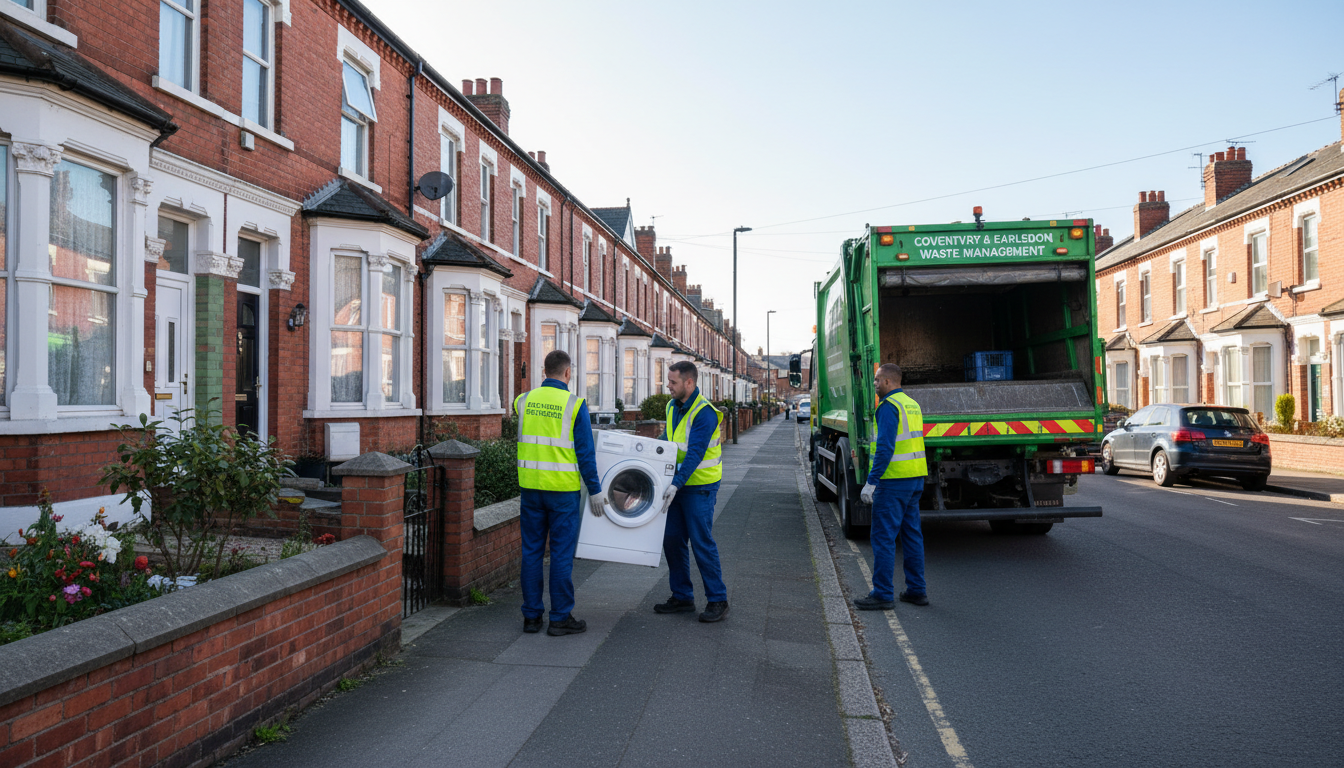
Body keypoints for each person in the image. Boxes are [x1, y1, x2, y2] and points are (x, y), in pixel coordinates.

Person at [514, 350, 609, 636]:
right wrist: (595, 491)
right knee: (560, 555)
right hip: (562, 493)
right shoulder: (575, 405)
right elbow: (585, 454)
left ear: (545, 371)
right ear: (567, 373)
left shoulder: (524, 401)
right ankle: (559, 618)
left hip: (530, 489)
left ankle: (531, 618)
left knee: (530, 552)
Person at [653, 361, 730, 623]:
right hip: (677, 485)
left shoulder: (705, 413)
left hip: (700, 487)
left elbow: (695, 453)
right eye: (668, 381)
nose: (668, 386)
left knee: (701, 542)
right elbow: (669, 439)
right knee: (672, 539)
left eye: (673, 382)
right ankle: (683, 596)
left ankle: (718, 599)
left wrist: (676, 483)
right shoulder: (672, 406)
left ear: (689, 382)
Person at [854, 363, 930, 610]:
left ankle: (883, 593)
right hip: (915, 478)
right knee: (912, 535)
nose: (875, 385)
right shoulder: (912, 404)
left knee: (883, 538)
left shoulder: (888, 407)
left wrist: (871, 482)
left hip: (893, 480)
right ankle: (917, 590)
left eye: (877, 381)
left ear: (887, 381)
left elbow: (885, 448)